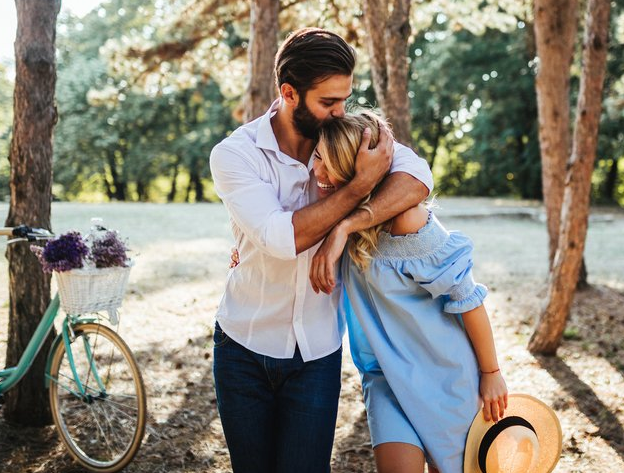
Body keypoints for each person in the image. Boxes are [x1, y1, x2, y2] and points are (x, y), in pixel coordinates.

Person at [209, 28, 433, 473]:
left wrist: (345, 225)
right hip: (243, 350)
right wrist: (360, 187)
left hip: (317, 354)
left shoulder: (345, 135)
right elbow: (281, 239)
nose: (340, 112)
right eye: (328, 102)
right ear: (289, 93)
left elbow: (418, 177)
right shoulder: (236, 154)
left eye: (345, 99)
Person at [311, 109, 509, 473]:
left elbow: (467, 299)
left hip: (444, 377)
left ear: (356, 173)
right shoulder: (333, 211)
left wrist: (491, 372)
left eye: (327, 163)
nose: (317, 171)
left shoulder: (408, 220)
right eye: (317, 157)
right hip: (384, 379)